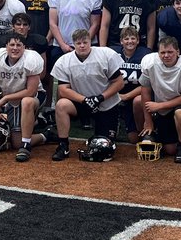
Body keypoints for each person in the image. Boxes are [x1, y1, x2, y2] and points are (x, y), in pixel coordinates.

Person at [50, 28, 125, 161]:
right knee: (61, 105)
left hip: (106, 104)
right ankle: (63, 145)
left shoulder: (105, 55)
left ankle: (110, 128)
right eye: (79, 43)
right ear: (74, 44)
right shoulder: (65, 61)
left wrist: (100, 97)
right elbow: (63, 89)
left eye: (85, 42)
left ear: (90, 42)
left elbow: (119, 83)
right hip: (81, 103)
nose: (82, 46)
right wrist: (85, 100)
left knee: (103, 147)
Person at [139, 36, 181, 163]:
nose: (166, 55)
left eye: (170, 52)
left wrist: (159, 106)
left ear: (178, 52)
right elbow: (145, 91)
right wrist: (148, 121)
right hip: (162, 106)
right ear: (158, 53)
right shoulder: (149, 62)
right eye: (163, 52)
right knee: (170, 150)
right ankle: (152, 133)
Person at [0, 33, 46, 162]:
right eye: (12, 44)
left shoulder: (31, 59)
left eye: (19, 45)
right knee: (12, 141)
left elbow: (31, 91)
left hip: (34, 97)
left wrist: (7, 97)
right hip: (10, 98)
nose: (15, 48)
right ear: (6, 47)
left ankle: (28, 144)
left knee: (27, 102)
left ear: (25, 48)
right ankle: (39, 127)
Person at [116, 27, 149, 137]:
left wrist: (126, 96)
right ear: (121, 41)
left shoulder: (145, 55)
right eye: (126, 39)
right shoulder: (113, 54)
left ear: (138, 40)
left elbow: (147, 85)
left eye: (133, 38)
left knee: (135, 138)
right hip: (117, 95)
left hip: (136, 96)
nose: (130, 41)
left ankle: (141, 130)